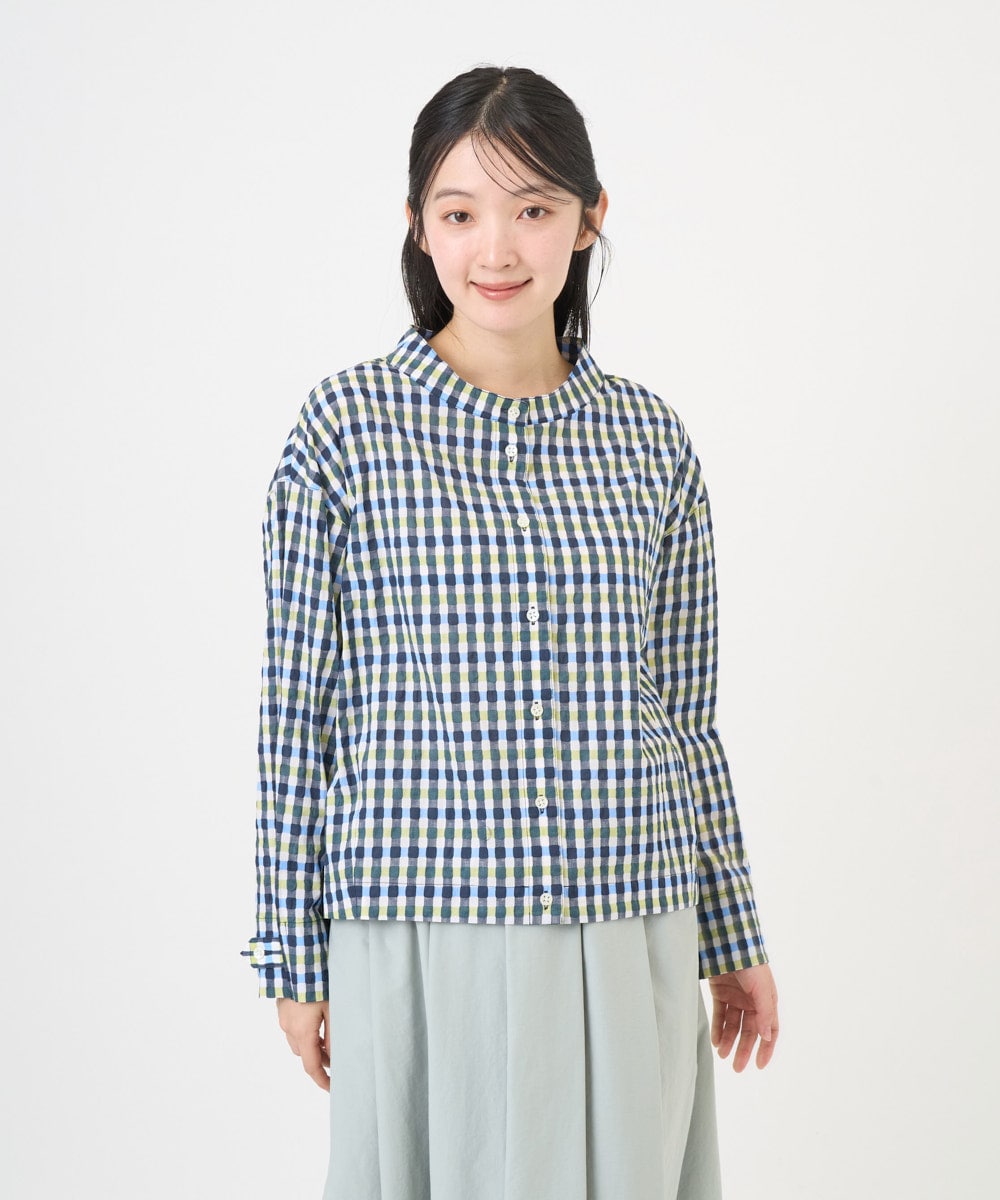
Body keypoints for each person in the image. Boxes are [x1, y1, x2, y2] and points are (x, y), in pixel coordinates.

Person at [242, 63, 779, 1200]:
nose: (497, 248)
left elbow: (685, 719)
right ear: (416, 225)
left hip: (627, 916)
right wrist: (291, 954)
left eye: (533, 208)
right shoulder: (345, 432)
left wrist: (733, 937)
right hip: (419, 924)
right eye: (460, 213)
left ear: (589, 218)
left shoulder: (650, 442)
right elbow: (297, 717)